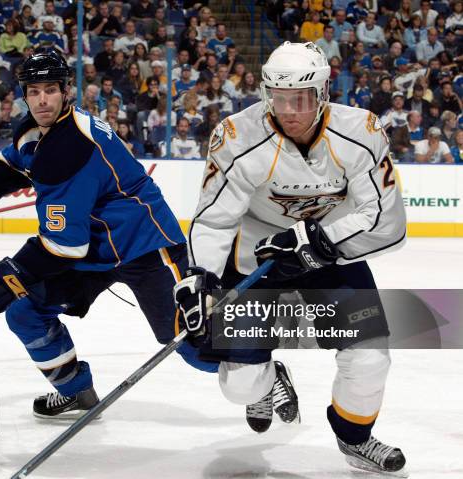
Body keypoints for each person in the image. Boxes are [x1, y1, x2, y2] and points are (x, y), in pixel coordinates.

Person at [174, 42, 407, 474]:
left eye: (299, 98)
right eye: (278, 98)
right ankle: (264, 379)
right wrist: (201, 278)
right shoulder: (236, 136)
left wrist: (320, 241)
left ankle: (354, 437)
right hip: (256, 258)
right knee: (240, 387)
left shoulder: (362, 133)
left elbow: (385, 221)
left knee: (371, 357)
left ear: (321, 94)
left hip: (332, 254)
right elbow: (214, 221)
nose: (288, 110)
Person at [0, 51, 216, 419]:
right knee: (27, 314)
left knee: (191, 340)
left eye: (50, 91)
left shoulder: (70, 147)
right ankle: (76, 391)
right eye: (34, 91)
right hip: (92, 247)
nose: (42, 99)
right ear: (24, 95)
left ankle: (259, 378)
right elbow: (14, 163)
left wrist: (5, 277)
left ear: (64, 92)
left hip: (143, 244)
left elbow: (62, 246)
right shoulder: (36, 132)